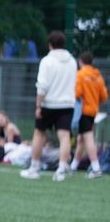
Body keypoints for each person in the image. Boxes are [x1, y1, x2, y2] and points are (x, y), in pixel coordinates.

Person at [21, 31, 76, 181]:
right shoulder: (72, 61)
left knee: (39, 133)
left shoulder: (47, 61)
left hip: (49, 103)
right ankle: (62, 169)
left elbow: (42, 86)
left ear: (50, 44)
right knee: (64, 136)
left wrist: (38, 105)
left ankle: (34, 167)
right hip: (67, 104)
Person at [70, 51, 106, 178]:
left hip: (83, 112)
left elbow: (77, 93)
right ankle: (73, 167)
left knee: (88, 138)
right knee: (81, 139)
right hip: (93, 112)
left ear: (80, 61)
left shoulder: (80, 75)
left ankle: (96, 168)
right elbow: (104, 96)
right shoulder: (98, 77)